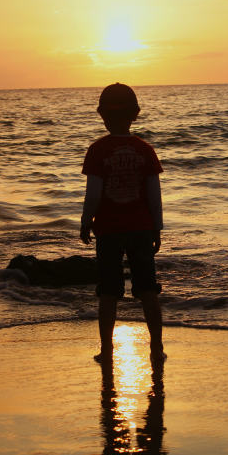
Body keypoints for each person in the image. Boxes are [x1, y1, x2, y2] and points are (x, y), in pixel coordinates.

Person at [80, 83, 166, 364]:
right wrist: (157, 227)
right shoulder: (145, 150)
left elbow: (93, 193)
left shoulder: (97, 151)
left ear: (101, 114)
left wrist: (85, 221)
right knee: (148, 290)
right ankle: (156, 348)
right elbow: (154, 195)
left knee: (108, 292)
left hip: (108, 230)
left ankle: (107, 351)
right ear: (136, 114)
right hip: (141, 228)